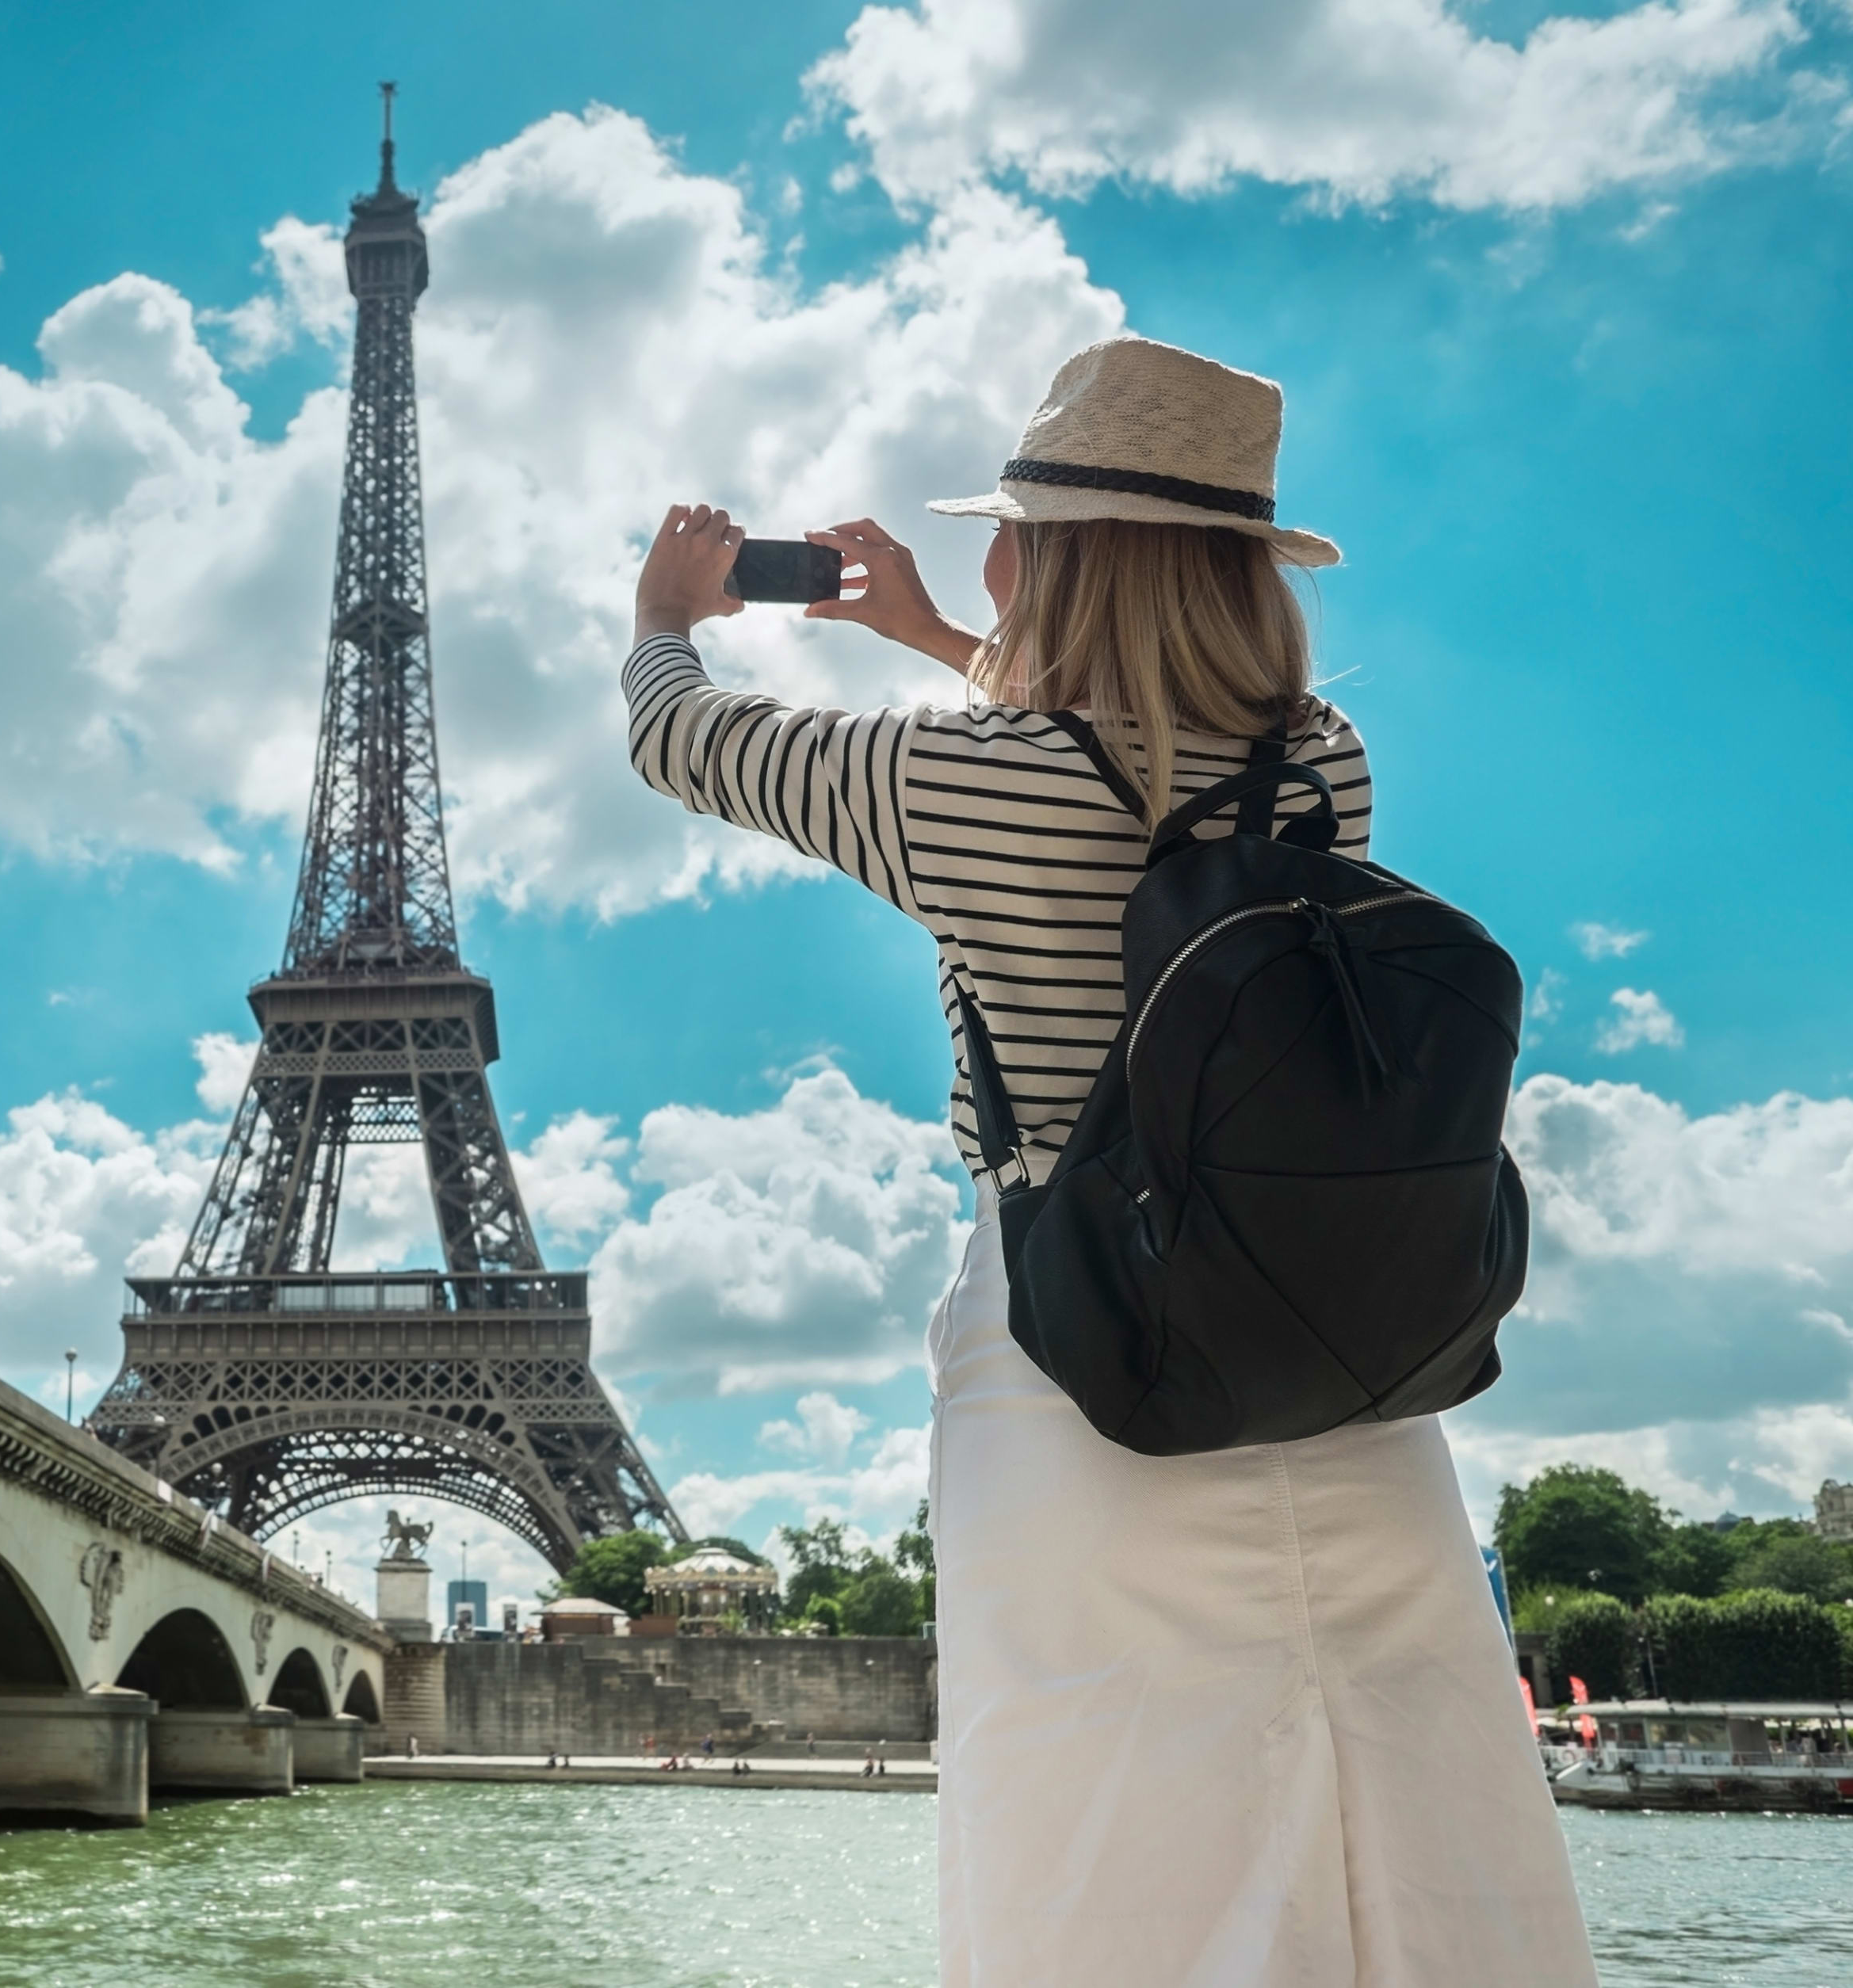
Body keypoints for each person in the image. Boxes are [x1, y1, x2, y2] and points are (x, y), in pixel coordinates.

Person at [624, 336, 1595, 1986]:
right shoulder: (1323, 764)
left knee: (1112, 1830)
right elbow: (1140, 763)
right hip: (1342, 1353)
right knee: (1402, 1811)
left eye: (1013, 523)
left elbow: (680, 739)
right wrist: (937, 632)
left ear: (1051, 554)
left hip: (1083, 1359)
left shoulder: (945, 783)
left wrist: (668, 611)